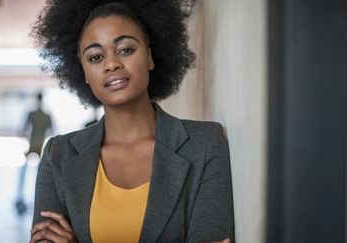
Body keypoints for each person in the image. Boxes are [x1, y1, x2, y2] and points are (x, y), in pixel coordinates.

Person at [30, 1, 234, 242]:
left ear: (149, 56)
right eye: (95, 57)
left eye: (126, 49)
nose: (111, 64)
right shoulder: (58, 155)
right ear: (84, 72)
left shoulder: (205, 144)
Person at [15, 92, 52, 214]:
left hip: (33, 146)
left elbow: (24, 130)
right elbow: (51, 132)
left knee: (24, 173)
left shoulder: (33, 114)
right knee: (39, 174)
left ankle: (21, 196)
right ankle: (37, 198)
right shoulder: (46, 116)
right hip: (39, 146)